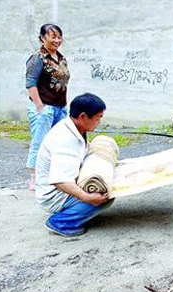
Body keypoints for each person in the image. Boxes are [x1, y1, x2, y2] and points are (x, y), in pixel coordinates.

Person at [36, 93, 113, 237]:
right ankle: (61, 223)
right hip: (53, 194)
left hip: (63, 184)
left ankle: (77, 212)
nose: (99, 122)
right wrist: (87, 197)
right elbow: (60, 181)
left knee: (106, 186)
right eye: (98, 118)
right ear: (83, 116)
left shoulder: (75, 128)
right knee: (103, 197)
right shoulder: (65, 139)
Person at [25, 23, 70, 191]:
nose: (57, 40)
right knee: (40, 142)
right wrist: (40, 107)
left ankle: (51, 175)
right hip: (44, 108)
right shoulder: (37, 58)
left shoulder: (61, 58)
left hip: (60, 108)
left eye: (59, 37)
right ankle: (34, 177)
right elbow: (30, 83)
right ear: (43, 38)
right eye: (53, 37)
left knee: (57, 142)